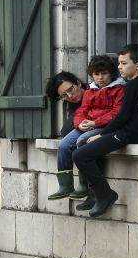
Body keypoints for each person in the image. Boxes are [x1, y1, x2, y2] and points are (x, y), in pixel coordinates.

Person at [72, 44, 138, 217]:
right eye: (119, 63)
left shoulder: (133, 85)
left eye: (124, 63)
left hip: (127, 134)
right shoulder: (132, 83)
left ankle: (105, 195)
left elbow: (122, 117)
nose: (119, 67)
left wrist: (101, 134)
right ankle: (96, 194)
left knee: (80, 155)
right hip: (122, 131)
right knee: (82, 149)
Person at [48, 55, 126, 200]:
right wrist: (80, 123)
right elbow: (81, 111)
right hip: (87, 125)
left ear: (78, 83)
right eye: (97, 74)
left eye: (104, 73)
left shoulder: (118, 88)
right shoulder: (91, 91)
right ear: (92, 75)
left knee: (81, 141)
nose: (101, 78)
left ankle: (84, 184)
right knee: (64, 144)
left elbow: (117, 113)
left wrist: (95, 123)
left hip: (103, 126)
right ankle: (65, 186)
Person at [44, 71, 85, 138]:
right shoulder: (73, 105)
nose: (70, 96)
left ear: (78, 83)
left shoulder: (96, 90)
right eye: (64, 95)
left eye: (70, 89)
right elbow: (66, 132)